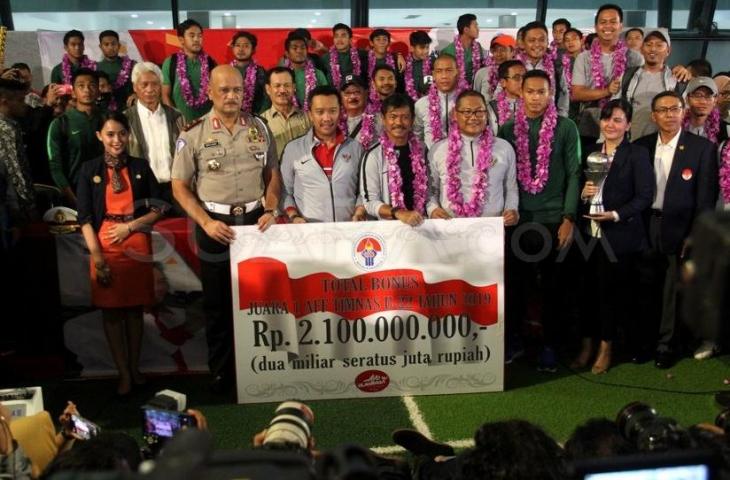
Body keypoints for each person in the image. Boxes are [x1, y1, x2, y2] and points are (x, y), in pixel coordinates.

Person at [171, 65, 281, 393]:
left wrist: (272, 206)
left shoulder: (259, 127)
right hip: (214, 226)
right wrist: (204, 221)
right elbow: (179, 185)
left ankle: (260, 368)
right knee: (217, 305)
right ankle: (222, 375)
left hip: (255, 225)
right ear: (209, 92)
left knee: (259, 301)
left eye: (237, 90)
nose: (232, 96)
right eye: (225, 91)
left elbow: (272, 172)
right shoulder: (194, 134)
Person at [499, 69, 581, 373]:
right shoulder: (507, 129)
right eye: (530, 91)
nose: (535, 97)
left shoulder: (566, 127)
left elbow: (574, 173)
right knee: (516, 287)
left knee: (553, 289)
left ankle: (550, 345)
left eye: (541, 92)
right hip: (518, 221)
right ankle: (516, 341)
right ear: (521, 93)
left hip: (553, 220)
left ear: (550, 93)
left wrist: (568, 217)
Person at [76, 111, 164, 395]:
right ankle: (123, 373)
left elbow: (159, 206)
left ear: (129, 135)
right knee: (112, 314)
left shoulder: (140, 165)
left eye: (122, 134)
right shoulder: (90, 169)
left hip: (136, 242)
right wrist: (97, 257)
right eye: (110, 134)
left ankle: (136, 368)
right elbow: (85, 218)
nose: (117, 140)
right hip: (103, 245)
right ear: (100, 136)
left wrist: (131, 227)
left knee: (135, 311)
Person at [633, 91, 719, 368]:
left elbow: (705, 199)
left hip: (679, 229)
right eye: (663, 110)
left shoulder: (702, 148)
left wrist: (694, 236)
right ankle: (643, 342)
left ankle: (666, 346)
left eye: (675, 109)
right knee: (644, 287)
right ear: (653, 115)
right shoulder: (641, 146)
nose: (670, 114)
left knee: (672, 291)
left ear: (683, 112)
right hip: (644, 225)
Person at [573, 99, 654, 374]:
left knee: (610, 295)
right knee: (585, 293)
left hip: (618, 236)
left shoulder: (637, 154)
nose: (611, 124)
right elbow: (583, 193)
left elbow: (644, 196)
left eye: (618, 120)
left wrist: (616, 214)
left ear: (628, 125)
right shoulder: (591, 151)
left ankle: (606, 348)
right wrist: (583, 195)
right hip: (587, 234)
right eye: (607, 119)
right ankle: (586, 344)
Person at [427, 89, 518, 225]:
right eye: (467, 112)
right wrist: (432, 209)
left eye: (479, 111)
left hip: (492, 229)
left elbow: (510, 187)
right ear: (455, 115)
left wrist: (512, 209)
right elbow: (430, 190)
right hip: (449, 226)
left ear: (486, 114)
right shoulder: (438, 150)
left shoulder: (504, 148)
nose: (474, 117)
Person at [281, 86, 365, 223]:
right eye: (320, 112)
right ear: (310, 114)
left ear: (340, 112)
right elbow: (284, 192)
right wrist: (294, 216)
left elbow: (363, 191)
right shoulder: (293, 149)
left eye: (332, 111)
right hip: (308, 232)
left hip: (348, 231)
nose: (326, 118)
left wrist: (360, 210)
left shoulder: (355, 148)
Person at [572, 4, 644, 145]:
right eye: (603, 22)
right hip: (590, 125)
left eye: (613, 22)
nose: (607, 26)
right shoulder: (584, 58)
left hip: (624, 127)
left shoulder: (634, 58)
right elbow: (577, 93)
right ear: (596, 26)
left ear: (621, 26)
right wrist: (607, 91)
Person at [124, 62, 184, 211]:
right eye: (144, 85)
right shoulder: (125, 120)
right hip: (142, 190)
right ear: (135, 87)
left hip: (175, 189)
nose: (150, 89)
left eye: (155, 84)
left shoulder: (177, 116)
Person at [360, 93, 427, 226]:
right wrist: (398, 213)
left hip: (422, 226)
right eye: (393, 117)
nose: (398, 123)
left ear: (412, 120)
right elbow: (370, 202)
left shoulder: (423, 150)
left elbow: (430, 192)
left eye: (405, 117)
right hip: (389, 231)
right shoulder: (373, 155)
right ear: (383, 119)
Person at [47, 68, 104, 206]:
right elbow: (55, 167)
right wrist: (73, 199)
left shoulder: (109, 119)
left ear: (98, 90)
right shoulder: (60, 123)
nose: (87, 90)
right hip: (75, 192)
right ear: (73, 92)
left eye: (91, 85)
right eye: (81, 85)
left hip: (106, 190)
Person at [620, 30, 688, 141]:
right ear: (642, 49)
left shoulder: (677, 78)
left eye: (659, 45)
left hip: (665, 143)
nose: (653, 49)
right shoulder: (628, 76)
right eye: (648, 44)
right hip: (632, 141)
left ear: (668, 51)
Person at [161, 19, 216, 122]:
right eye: (192, 35)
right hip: (181, 125)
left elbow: (217, 93)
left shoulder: (210, 62)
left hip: (208, 124)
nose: (196, 39)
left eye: (199, 36)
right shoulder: (171, 62)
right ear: (181, 39)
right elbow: (165, 95)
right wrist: (175, 120)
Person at [0, 78, 36, 228]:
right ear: (4, 102)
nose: (25, 105)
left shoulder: (12, 124)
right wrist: (27, 205)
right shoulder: (6, 129)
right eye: (20, 100)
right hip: (15, 206)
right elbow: (15, 170)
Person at [516, 21, 569, 117]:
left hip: (550, 122)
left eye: (541, 40)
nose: (537, 44)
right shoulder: (514, 66)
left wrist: (561, 117)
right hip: (518, 121)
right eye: (532, 40)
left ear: (547, 42)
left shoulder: (556, 65)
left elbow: (563, 93)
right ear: (523, 43)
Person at [260, 66, 311, 158]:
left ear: (294, 87)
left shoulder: (308, 118)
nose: (282, 90)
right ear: (268, 89)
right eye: (277, 86)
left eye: (287, 85)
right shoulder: (261, 123)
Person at [414, 54, 459, 149]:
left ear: (457, 72)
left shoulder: (468, 102)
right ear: (433, 75)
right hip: (432, 159)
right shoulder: (421, 104)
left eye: (449, 70)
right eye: (439, 71)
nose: (444, 76)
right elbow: (416, 136)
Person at [283, 34, 329, 112]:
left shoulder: (318, 74)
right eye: (295, 48)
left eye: (303, 47)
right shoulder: (282, 75)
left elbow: (327, 98)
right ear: (287, 54)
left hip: (313, 118)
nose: (299, 51)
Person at [229, 31, 268, 114]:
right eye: (238, 45)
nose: (241, 49)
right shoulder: (226, 71)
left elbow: (266, 98)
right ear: (233, 48)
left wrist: (259, 118)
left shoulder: (260, 72)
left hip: (254, 118)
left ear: (253, 50)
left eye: (246, 46)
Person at [441, 13, 485, 88]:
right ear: (466, 30)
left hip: (475, 92)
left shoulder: (478, 47)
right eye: (475, 26)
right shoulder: (448, 51)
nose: (478, 29)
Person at [359, 64, 397, 147]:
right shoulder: (364, 107)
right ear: (373, 83)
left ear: (396, 82)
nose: (386, 82)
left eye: (390, 79)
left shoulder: (404, 106)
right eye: (381, 79)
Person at [96, 30, 136, 112]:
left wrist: (137, 95)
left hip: (129, 109)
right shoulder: (95, 67)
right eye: (106, 44)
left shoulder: (132, 65)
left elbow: (140, 85)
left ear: (119, 45)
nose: (110, 47)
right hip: (103, 112)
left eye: (113, 44)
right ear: (100, 46)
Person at [321, 23, 367, 88]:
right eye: (336, 36)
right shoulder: (325, 58)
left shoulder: (362, 55)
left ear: (350, 39)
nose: (339, 39)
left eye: (343, 36)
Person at [473, 34, 517, 102]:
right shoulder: (482, 73)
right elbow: (475, 99)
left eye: (502, 50)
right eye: (495, 50)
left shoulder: (520, 74)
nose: (498, 54)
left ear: (512, 52)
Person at [487, 60, 525, 134]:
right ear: (503, 82)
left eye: (525, 77)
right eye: (517, 78)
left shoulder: (532, 105)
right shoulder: (490, 108)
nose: (522, 82)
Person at [683, 77, 721, 143]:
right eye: (697, 95)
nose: (703, 101)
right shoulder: (676, 125)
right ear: (687, 99)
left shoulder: (724, 130)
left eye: (708, 96)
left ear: (715, 100)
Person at [561, 28, 584, 123]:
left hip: (585, 104)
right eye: (567, 40)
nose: (570, 42)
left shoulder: (591, 60)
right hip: (567, 105)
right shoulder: (559, 63)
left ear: (581, 40)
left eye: (574, 39)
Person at [404, 30, 434, 101]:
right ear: (412, 48)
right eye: (422, 48)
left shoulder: (432, 63)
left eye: (427, 47)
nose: (426, 51)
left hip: (427, 103)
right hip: (407, 103)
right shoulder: (403, 63)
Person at [339, 75, 368, 142]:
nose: (352, 97)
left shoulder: (377, 120)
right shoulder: (335, 123)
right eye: (347, 93)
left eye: (357, 92)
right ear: (340, 97)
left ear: (366, 94)